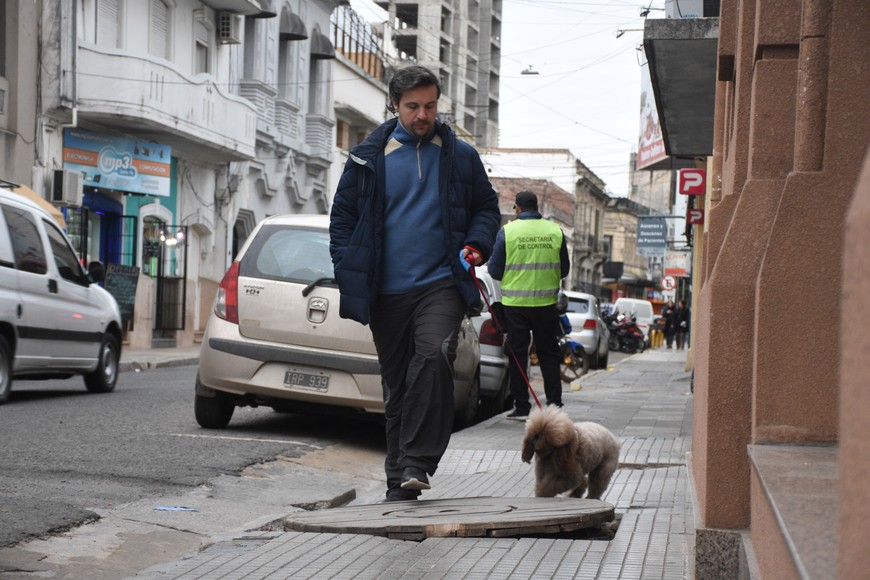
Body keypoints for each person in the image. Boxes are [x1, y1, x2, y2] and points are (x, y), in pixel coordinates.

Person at [329, 65, 501, 503]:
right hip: (386, 291)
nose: (422, 115)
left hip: (442, 283)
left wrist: (477, 245)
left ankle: (419, 462)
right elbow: (343, 220)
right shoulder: (368, 156)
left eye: (429, 106)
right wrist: (348, 264)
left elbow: (485, 208)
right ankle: (397, 484)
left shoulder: (459, 155)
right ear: (394, 105)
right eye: (413, 107)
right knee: (398, 385)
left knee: (433, 354)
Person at [487, 191, 570, 420]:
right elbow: (564, 269)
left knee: (517, 354)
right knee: (548, 354)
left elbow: (494, 270)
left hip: (516, 305)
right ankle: (554, 405)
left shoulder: (508, 232)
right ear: (537, 207)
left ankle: (522, 407)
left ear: (517, 208)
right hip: (546, 304)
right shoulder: (555, 231)